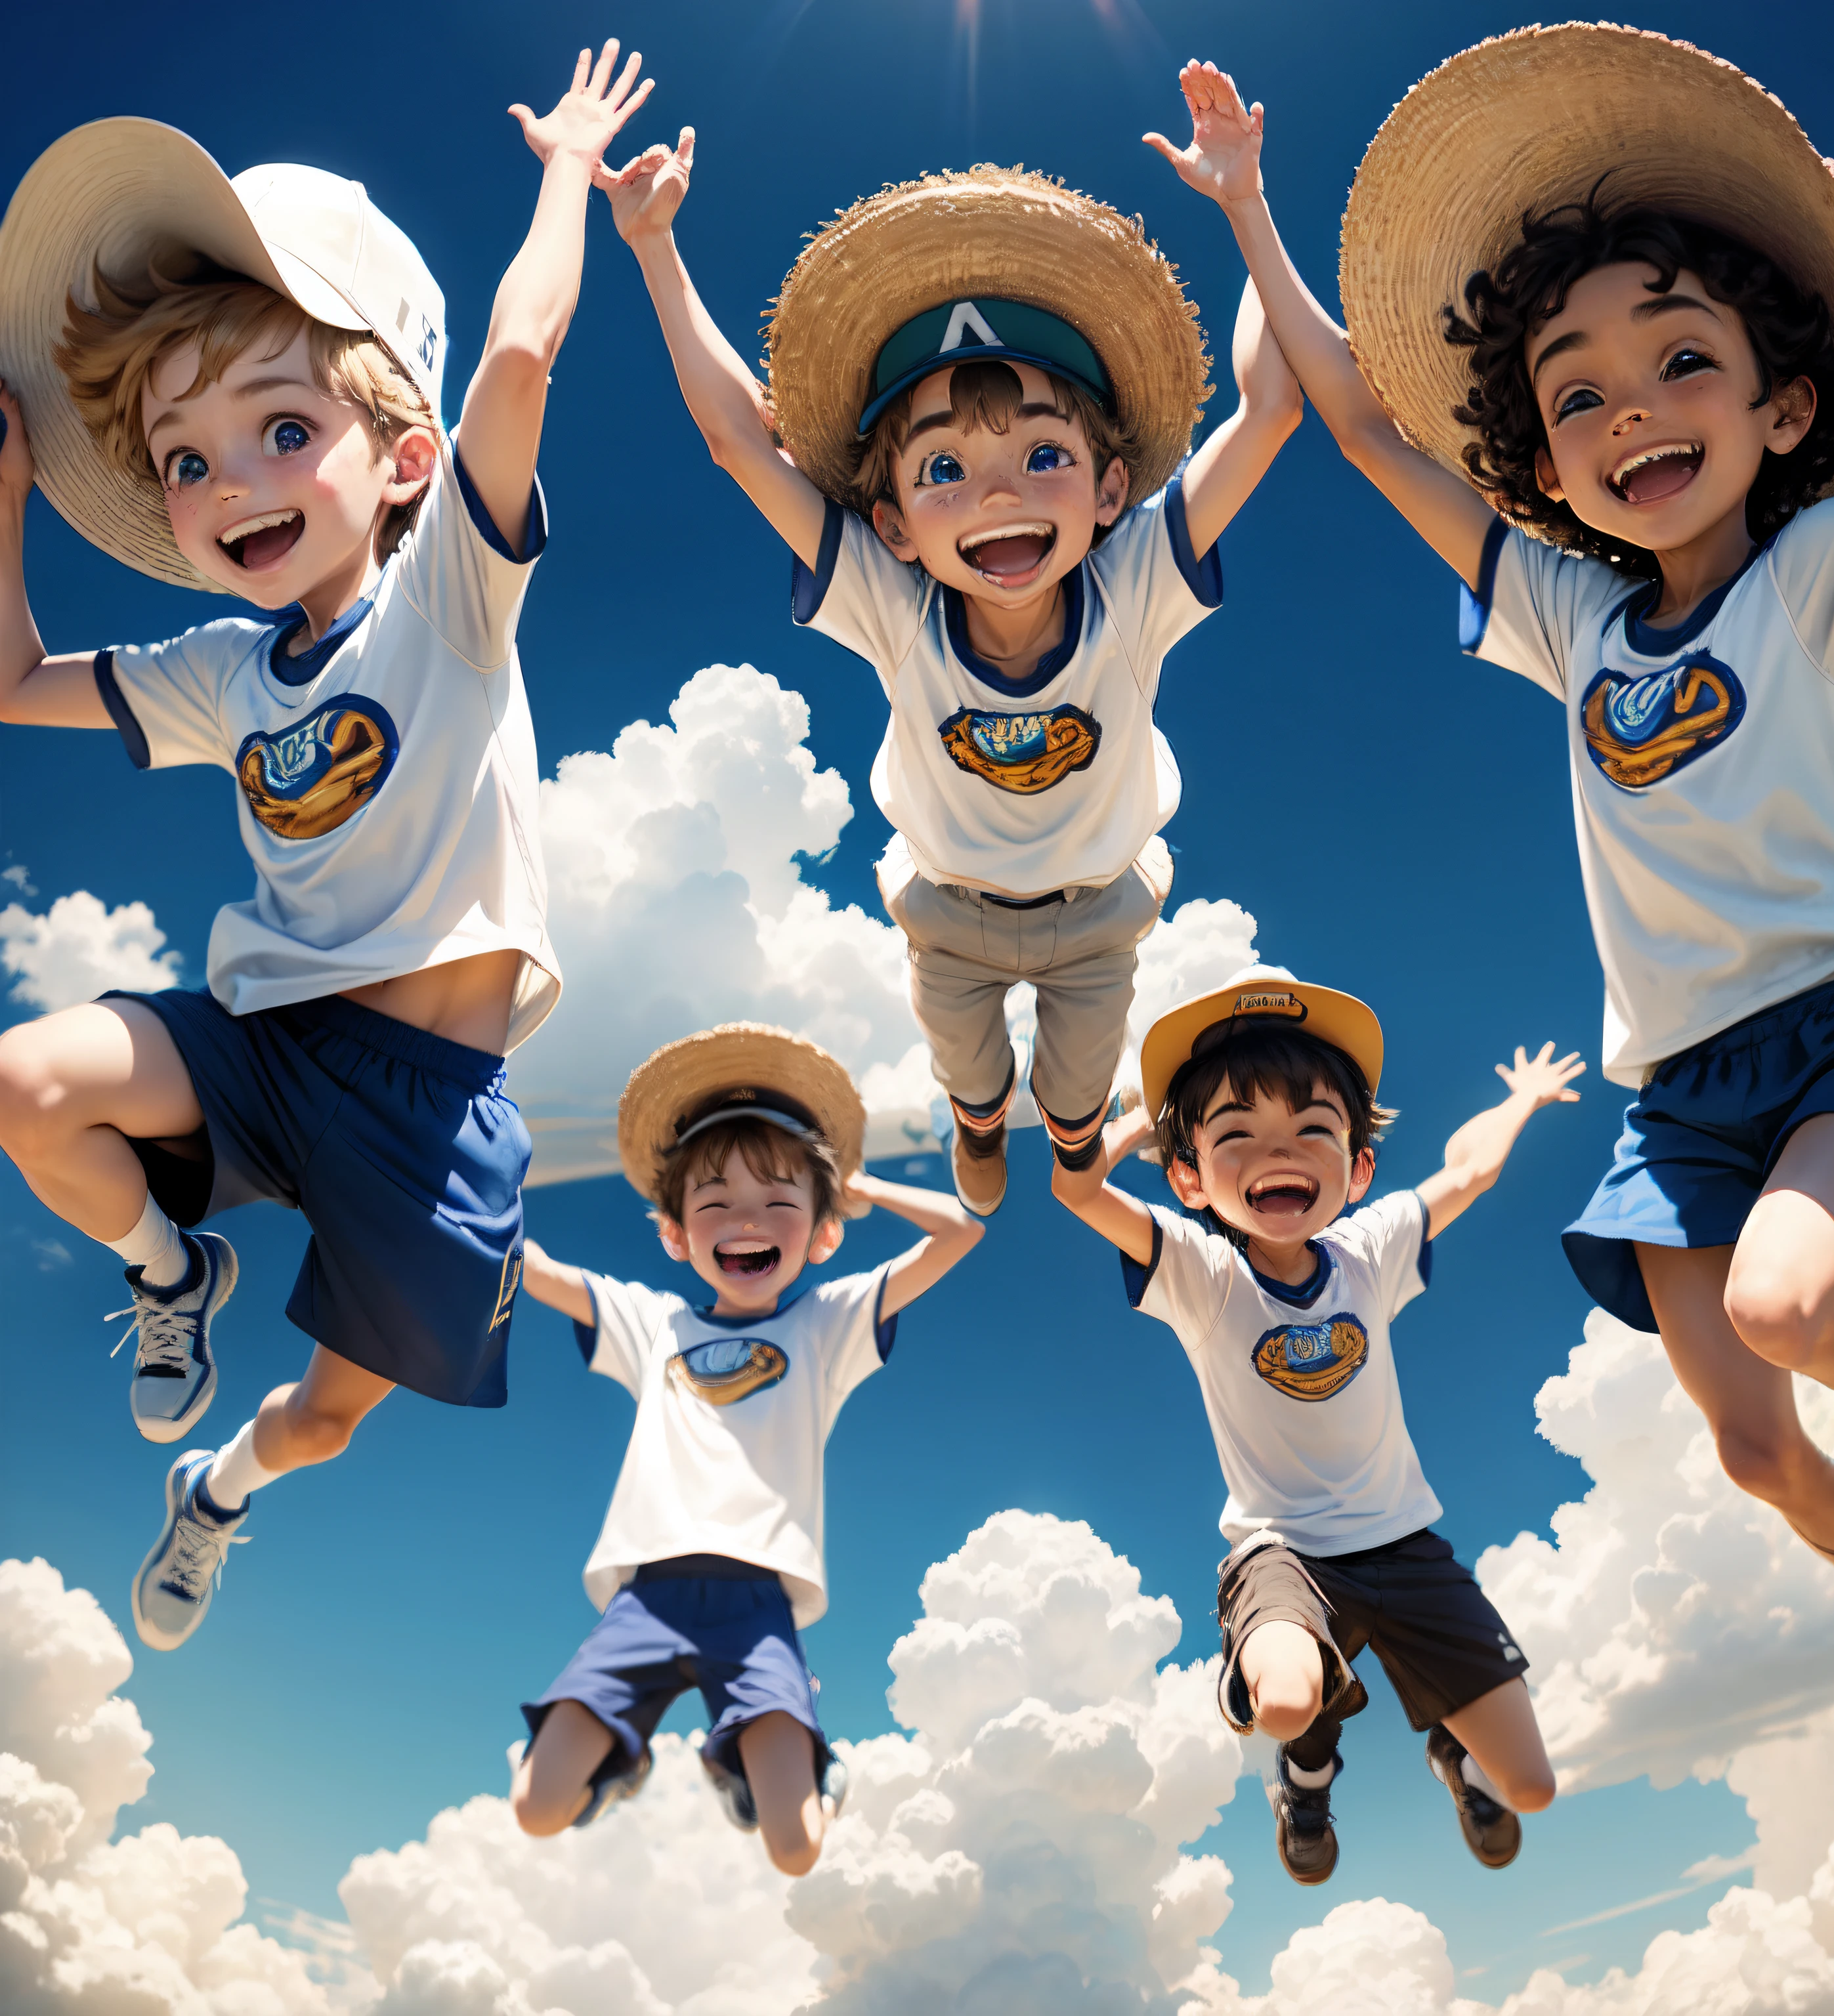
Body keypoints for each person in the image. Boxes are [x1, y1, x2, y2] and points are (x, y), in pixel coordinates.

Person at [1148, 24, 1834, 1803]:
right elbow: (1367, 417)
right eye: (1579, 392)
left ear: (1781, 409)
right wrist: (1248, 209)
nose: (1631, 410)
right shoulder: (1571, 624)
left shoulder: (1831, 563)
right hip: (1684, 1100)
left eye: (1681, 361)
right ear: (1546, 464)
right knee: (1760, 1464)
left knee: (1787, 1310)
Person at [0, 41, 653, 1650]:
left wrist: (568, 164)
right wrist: (6, 492)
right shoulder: (226, 672)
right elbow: (13, 684)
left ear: (404, 461)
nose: (231, 484)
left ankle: (217, 1495)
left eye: (283, 429)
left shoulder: (449, 600)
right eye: (187, 462)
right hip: (268, 1049)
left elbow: (518, 351)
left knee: (326, 1419)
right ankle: (173, 1273)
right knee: (25, 1088)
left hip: (432, 1126)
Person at [589, 130, 1302, 1216]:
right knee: (970, 1072)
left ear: (1112, 493)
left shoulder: (1135, 585)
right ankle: (982, 1123)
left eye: (1044, 457)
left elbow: (1271, 411)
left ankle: (1068, 1145)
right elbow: (743, 443)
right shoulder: (893, 603)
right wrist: (654, 249)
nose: (998, 496)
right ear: (895, 527)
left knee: (1078, 1087)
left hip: (1099, 908)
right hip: (950, 911)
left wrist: (1248, 209)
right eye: (943, 472)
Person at [1054, 969, 1581, 1883]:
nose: (1277, 1153)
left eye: (1311, 1131)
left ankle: (1457, 1754)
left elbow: (1471, 1171)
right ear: (1188, 1176)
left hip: (1405, 1551)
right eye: (1236, 1137)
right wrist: (1153, 1114)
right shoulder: (1203, 1274)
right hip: (1285, 1555)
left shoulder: (1369, 1253)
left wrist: (1525, 1100)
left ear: (1358, 1165)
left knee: (1529, 1787)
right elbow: (1078, 1190)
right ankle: (1306, 1775)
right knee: (1289, 1701)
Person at [509, 1023, 981, 1872]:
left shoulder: (826, 1324)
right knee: (538, 1809)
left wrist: (859, 1183)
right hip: (646, 1596)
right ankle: (630, 1758)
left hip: (758, 1603)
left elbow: (960, 1232)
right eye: (715, 1204)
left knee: (796, 1850)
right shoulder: (653, 1324)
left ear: (823, 1232)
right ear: (676, 1234)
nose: (746, 1222)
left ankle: (796, 1767)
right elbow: (531, 1268)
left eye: (779, 1203)